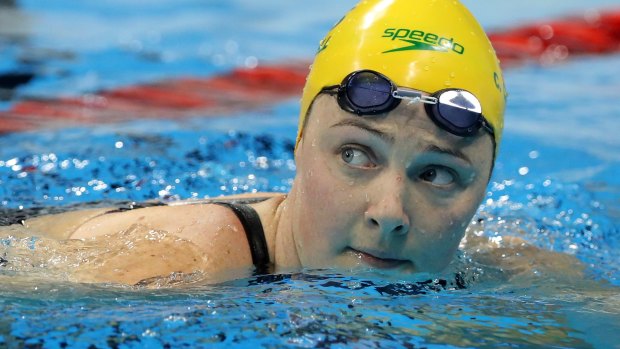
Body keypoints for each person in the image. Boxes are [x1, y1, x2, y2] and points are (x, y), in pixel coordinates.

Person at [16, 0, 529, 285]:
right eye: (354, 155)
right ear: (300, 145)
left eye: (436, 173)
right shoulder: (188, 261)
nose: (390, 212)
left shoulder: (503, 267)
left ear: (484, 186)